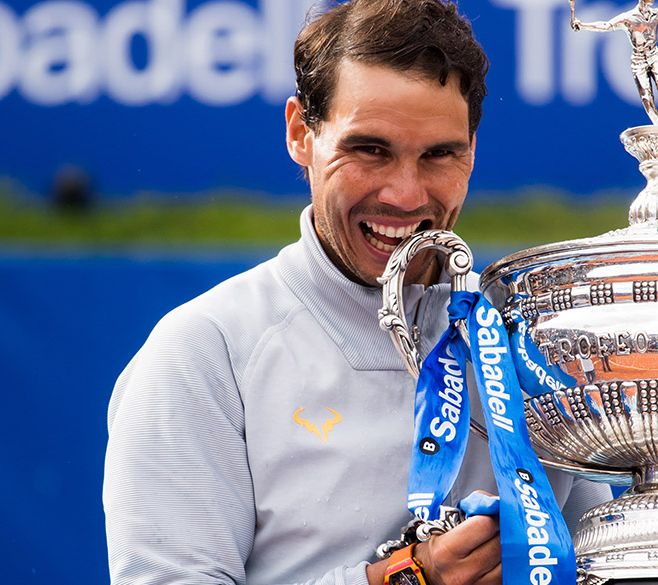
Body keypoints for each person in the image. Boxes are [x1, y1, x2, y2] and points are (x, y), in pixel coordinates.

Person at [102, 2, 610, 585]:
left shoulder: (524, 344)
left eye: (439, 155)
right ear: (301, 134)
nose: (404, 194)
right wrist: (404, 579)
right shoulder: (206, 352)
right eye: (371, 149)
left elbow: (597, 558)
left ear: (472, 149)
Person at [569, 0, 658, 126]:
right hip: (638, 60)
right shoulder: (629, 18)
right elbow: (606, 25)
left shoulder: (657, 14)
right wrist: (582, 25)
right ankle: (657, 123)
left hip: (653, 55)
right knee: (645, 94)